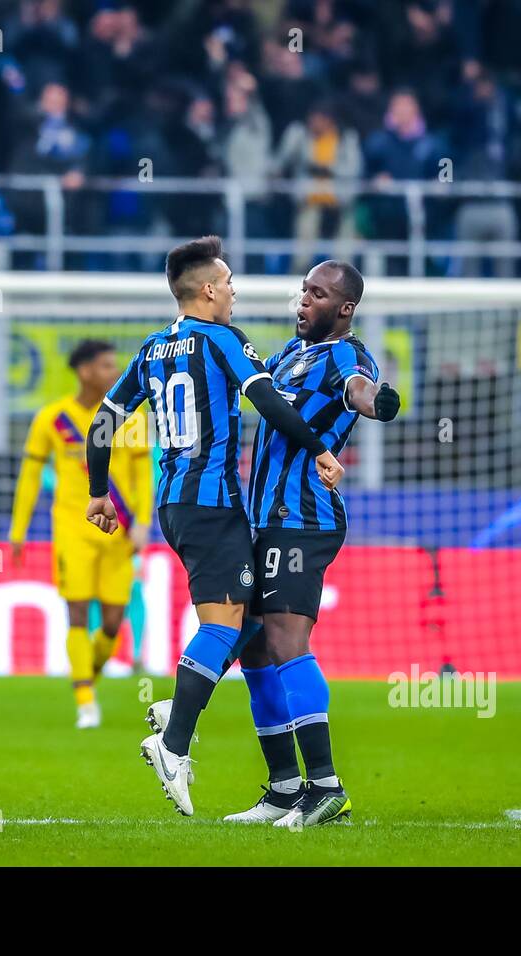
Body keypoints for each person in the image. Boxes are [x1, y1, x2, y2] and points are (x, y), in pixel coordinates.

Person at [84, 235, 344, 816]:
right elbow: (272, 403)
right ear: (207, 290)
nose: (233, 292)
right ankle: (173, 742)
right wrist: (319, 449)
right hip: (215, 506)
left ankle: (269, 781)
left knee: (251, 624)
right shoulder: (225, 340)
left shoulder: (152, 349)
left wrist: (98, 492)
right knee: (227, 625)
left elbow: (103, 421)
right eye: (228, 284)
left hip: (173, 506)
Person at [224, 259, 399, 827]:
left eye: (318, 294)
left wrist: (379, 401)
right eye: (303, 290)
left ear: (344, 309)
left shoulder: (345, 355)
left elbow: (359, 391)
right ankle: (282, 789)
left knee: (284, 638)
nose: (303, 301)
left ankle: (326, 789)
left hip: (303, 518)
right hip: (263, 518)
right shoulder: (287, 356)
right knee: (253, 647)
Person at [10, 341, 153, 729]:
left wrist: (142, 522)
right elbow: (30, 477)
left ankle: (86, 673)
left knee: (111, 622)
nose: (114, 372)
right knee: (75, 614)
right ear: (85, 371)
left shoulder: (131, 419)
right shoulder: (52, 419)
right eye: (107, 365)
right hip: (72, 529)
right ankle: (86, 700)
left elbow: (143, 476)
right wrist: (17, 530)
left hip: (118, 531)